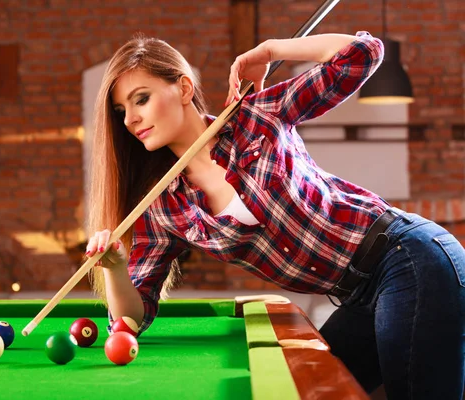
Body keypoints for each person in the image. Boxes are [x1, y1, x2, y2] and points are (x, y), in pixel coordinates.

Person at [84, 31, 465, 399]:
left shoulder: (257, 116)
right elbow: (133, 319)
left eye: (141, 99)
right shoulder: (164, 205)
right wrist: (115, 267)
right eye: (121, 111)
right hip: (358, 292)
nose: (131, 119)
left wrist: (270, 50)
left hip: (407, 255)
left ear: (184, 89)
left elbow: (362, 54)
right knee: (311, 392)